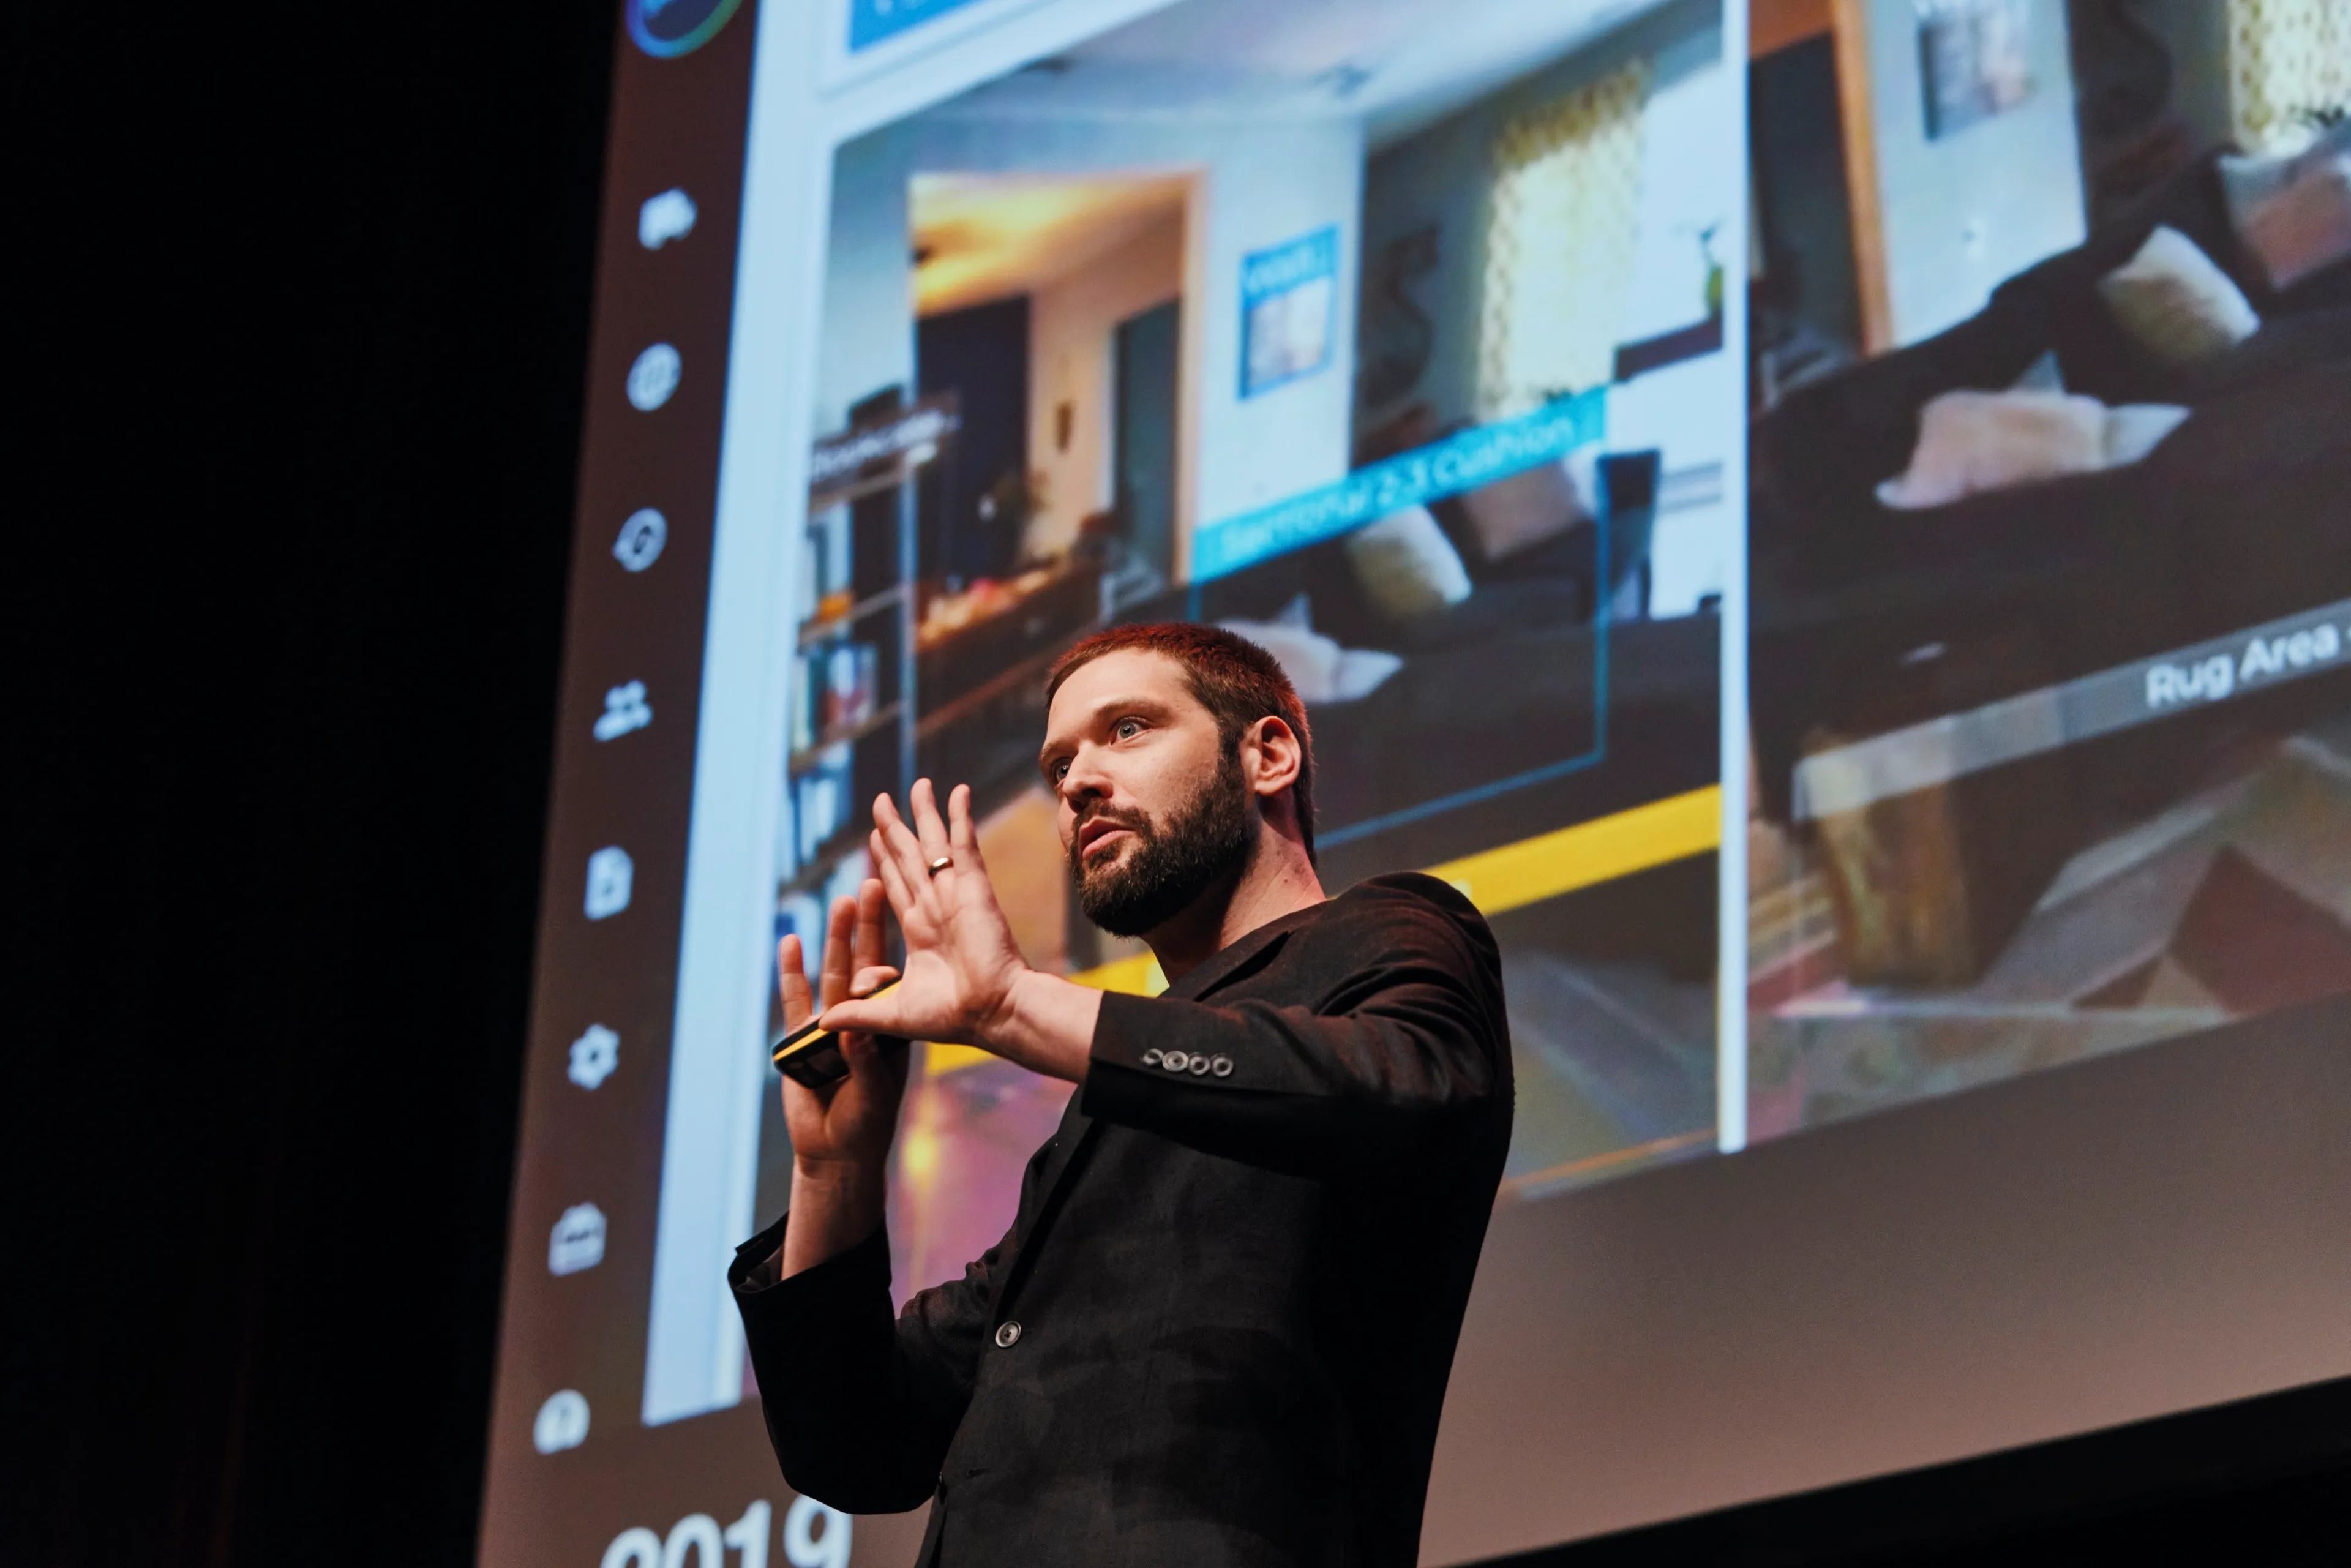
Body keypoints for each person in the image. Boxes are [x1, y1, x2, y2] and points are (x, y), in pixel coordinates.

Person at [729, 623, 1512, 1567]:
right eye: (1059, 763)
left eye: (1128, 729)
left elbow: (1409, 1089)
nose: (1077, 783)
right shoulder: (1098, 1123)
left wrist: (1016, 1005)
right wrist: (835, 1168)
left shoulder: (1387, 930)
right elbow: (857, 1449)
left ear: (1268, 753)